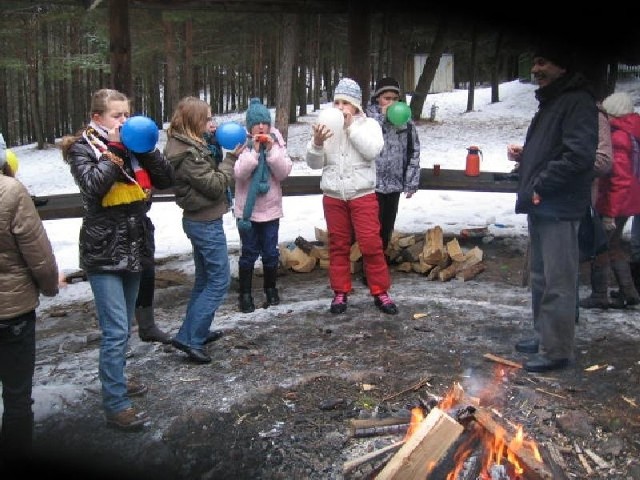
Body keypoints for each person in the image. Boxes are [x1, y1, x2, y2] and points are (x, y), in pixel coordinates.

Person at [61, 89, 174, 431]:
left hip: (135, 244)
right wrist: (113, 151)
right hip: (103, 249)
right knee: (114, 330)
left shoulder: (136, 149)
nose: (124, 121)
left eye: (126, 115)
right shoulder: (84, 148)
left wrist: (147, 149)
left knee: (126, 325)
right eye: (116, 116)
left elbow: (167, 180)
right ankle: (116, 405)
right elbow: (93, 187)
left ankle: (119, 380)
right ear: (98, 119)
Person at [506, 44, 598, 373]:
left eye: (542, 62)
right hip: (542, 204)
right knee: (540, 276)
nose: (535, 69)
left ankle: (557, 349)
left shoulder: (577, 102)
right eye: (534, 61)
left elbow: (578, 156)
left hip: (559, 205)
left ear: (562, 65)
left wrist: (541, 184)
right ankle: (542, 334)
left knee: (559, 280)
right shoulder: (553, 101)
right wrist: (527, 157)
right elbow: (551, 148)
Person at [306, 77, 397, 315]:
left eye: (345, 103)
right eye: (337, 102)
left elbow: (372, 151)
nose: (340, 107)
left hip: (362, 195)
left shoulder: (368, 125)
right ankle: (340, 292)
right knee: (338, 245)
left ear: (356, 106)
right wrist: (316, 143)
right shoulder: (327, 127)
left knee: (370, 244)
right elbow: (314, 164)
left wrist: (350, 127)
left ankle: (380, 291)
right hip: (334, 195)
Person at [0, 136, 59, 468]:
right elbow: (38, 256)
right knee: (17, 397)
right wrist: (49, 286)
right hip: (13, 312)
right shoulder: (10, 191)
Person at [164, 96, 236, 364]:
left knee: (205, 280)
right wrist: (231, 160)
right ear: (194, 122)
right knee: (219, 281)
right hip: (204, 222)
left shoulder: (189, 145)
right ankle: (191, 340)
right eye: (207, 119)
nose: (212, 123)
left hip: (202, 220)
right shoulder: (187, 153)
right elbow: (215, 185)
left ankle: (193, 333)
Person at [233, 97, 292, 313]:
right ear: (250, 126)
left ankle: (270, 289)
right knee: (248, 253)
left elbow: (284, 172)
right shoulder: (244, 145)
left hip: (271, 210)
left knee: (270, 253)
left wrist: (270, 150)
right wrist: (255, 152)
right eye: (257, 123)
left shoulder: (277, 142)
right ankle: (245, 294)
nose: (261, 127)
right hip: (247, 213)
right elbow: (239, 173)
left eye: (265, 123)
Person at [581, 92, 640, 309]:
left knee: (601, 246)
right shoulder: (630, 130)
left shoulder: (617, 136)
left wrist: (609, 214)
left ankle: (599, 294)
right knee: (613, 245)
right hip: (627, 200)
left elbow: (619, 180)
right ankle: (629, 292)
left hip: (615, 202)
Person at [366, 77, 421, 259]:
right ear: (377, 99)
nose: (391, 103)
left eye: (395, 99)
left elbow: (414, 150)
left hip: (395, 184)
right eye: (386, 98)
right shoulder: (369, 120)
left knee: (388, 225)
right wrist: (382, 117)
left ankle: (380, 260)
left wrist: (411, 181)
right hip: (373, 184)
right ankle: (371, 265)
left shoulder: (406, 121)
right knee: (373, 227)